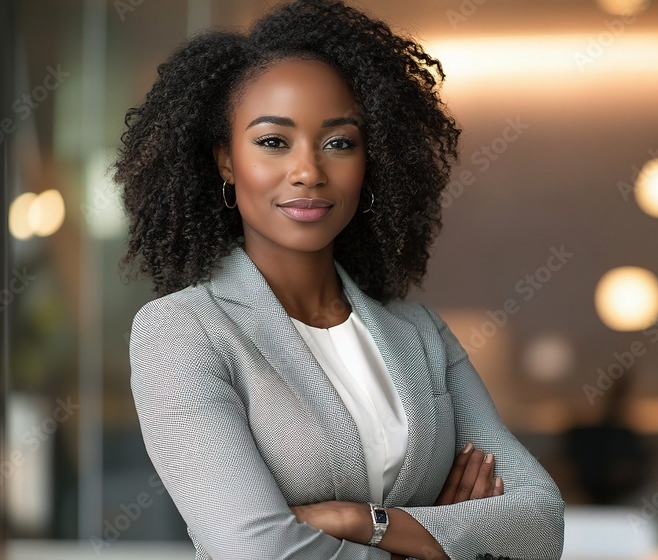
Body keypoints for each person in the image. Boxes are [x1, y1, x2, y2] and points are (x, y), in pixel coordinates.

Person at [115, 1, 564, 558]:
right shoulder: (181, 331)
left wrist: (358, 521)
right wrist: (429, 540)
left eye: (339, 142)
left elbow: (539, 524)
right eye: (273, 142)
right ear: (226, 161)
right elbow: (254, 550)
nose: (309, 171)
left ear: (371, 160)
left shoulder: (419, 334)